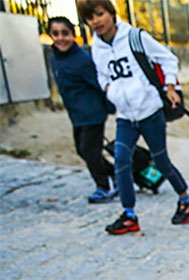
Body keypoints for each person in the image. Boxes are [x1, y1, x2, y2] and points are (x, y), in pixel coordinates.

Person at [76, 0, 189, 234]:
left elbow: (168, 59)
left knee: (161, 161)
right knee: (121, 159)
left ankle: (185, 198)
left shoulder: (135, 37)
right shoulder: (97, 47)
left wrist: (170, 87)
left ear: (111, 13)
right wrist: (110, 91)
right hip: (125, 115)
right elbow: (102, 75)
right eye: (90, 19)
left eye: (100, 14)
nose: (96, 22)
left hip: (149, 110)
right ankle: (129, 214)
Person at [48, 16, 117, 204]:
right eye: (56, 34)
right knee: (82, 150)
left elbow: (99, 83)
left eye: (65, 33)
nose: (61, 38)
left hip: (92, 113)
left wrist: (110, 106)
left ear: (73, 35)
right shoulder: (55, 57)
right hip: (77, 114)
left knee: (90, 151)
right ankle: (116, 174)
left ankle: (104, 187)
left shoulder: (82, 60)